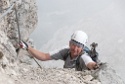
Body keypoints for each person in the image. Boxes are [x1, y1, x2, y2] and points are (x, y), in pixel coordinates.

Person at [20, 30, 98, 71]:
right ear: (69, 43)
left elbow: (89, 63)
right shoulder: (65, 51)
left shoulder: (83, 57)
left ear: (82, 48)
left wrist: (95, 66)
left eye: (78, 46)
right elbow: (44, 56)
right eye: (73, 44)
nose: (75, 48)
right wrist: (27, 47)